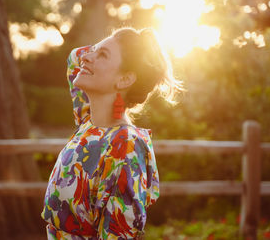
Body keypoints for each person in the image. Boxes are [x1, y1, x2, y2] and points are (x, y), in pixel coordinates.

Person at [41, 27, 182, 239]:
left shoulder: (125, 147)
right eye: (93, 51)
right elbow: (74, 58)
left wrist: (127, 47)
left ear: (125, 79)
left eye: (103, 56)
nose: (87, 58)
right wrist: (124, 42)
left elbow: (120, 234)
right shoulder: (88, 122)